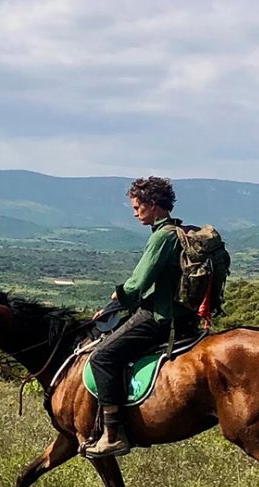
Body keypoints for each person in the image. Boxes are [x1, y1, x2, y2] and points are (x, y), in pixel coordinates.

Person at [80, 176, 200, 458]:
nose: (135, 212)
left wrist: (116, 298)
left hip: (159, 317)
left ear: (153, 205)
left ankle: (113, 435)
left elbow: (137, 285)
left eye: (137, 206)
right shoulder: (180, 231)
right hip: (184, 317)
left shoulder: (162, 237)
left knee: (102, 357)